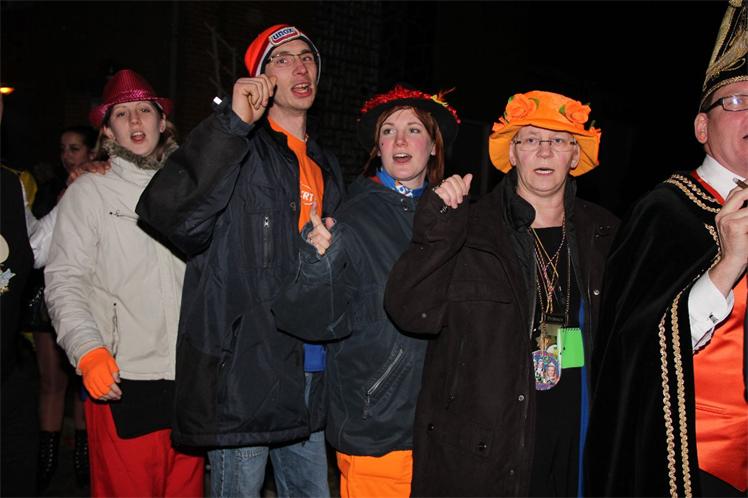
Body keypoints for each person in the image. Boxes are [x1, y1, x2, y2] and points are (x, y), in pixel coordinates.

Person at [136, 24, 344, 497]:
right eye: (282, 59)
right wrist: (232, 123)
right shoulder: (240, 147)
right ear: (260, 78)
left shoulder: (325, 163)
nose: (300, 67)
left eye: (307, 57)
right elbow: (169, 213)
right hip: (244, 375)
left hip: (309, 370)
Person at [383, 90, 619, 497]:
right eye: (531, 139)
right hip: (491, 447)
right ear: (512, 153)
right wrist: (438, 227)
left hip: (577, 439)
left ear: (575, 156)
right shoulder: (471, 227)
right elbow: (409, 311)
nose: (544, 150)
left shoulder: (605, 233)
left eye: (558, 140)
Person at [586, 2, 747, 496]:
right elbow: (635, 347)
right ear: (701, 128)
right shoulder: (666, 211)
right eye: (736, 101)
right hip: (697, 462)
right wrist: (727, 266)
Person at [272, 84, 460, 497]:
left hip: (441, 427)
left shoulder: (450, 216)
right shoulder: (353, 218)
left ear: (433, 146)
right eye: (388, 131)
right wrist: (316, 263)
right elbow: (306, 319)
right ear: (378, 148)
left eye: (413, 130)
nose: (400, 140)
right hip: (379, 426)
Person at [44, 69, 204, 497]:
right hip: (123, 378)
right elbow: (64, 280)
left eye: (145, 110)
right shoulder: (90, 192)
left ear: (162, 122)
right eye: (122, 113)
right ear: (107, 129)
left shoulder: (191, 190)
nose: (135, 121)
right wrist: (87, 349)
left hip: (189, 378)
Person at [31, 124, 96, 490]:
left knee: (84, 384)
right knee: (51, 382)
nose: (67, 156)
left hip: (88, 296)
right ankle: (46, 466)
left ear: (91, 151)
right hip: (49, 298)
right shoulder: (50, 189)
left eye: (75, 148)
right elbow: (36, 244)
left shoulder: (97, 184)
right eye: (63, 149)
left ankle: (84, 465)